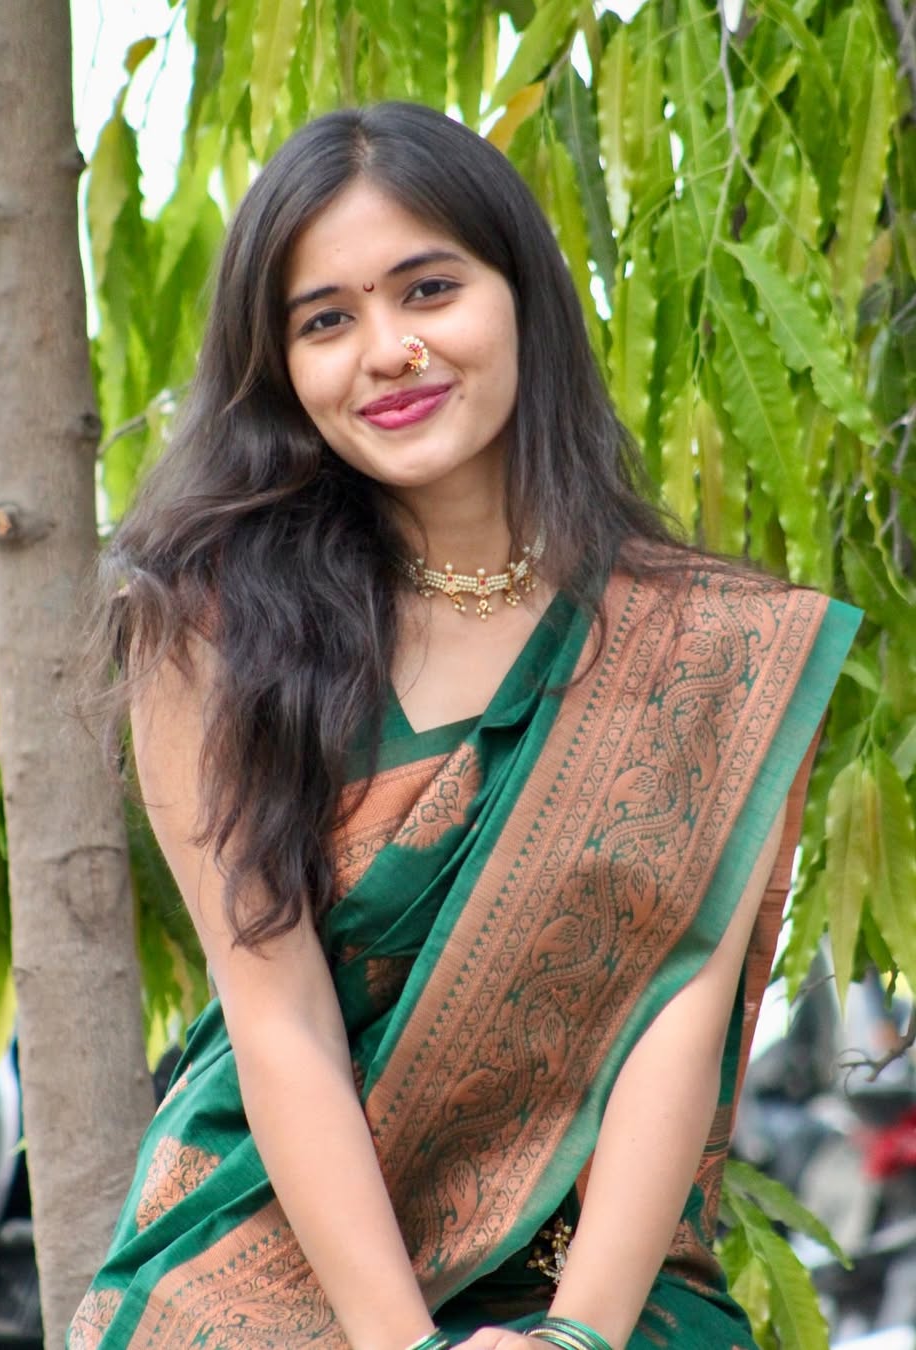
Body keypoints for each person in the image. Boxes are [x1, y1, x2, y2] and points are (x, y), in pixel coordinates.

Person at [68, 102, 861, 1350]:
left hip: (586, 1260)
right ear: (279, 368)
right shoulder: (207, 629)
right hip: (275, 1247)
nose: (386, 351)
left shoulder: (708, 649)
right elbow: (278, 1021)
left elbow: (676, 1007)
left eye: (428, 289)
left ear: (521, 299)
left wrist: (576, 1338)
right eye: (326, 320)